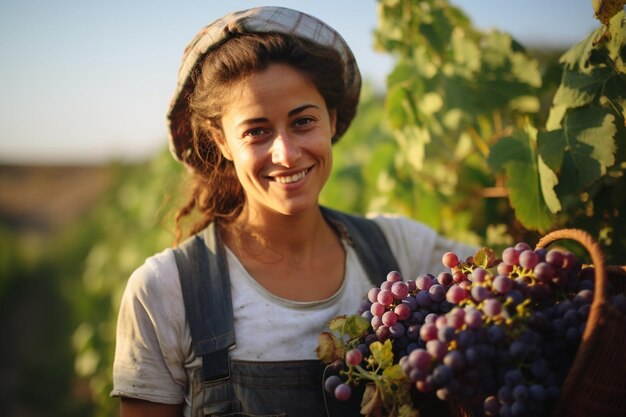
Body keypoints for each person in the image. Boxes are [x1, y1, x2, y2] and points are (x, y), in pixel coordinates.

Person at [111, 6, 474, 417]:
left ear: (332, 120)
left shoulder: (405, 248)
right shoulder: (163, 292)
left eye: (303, 121)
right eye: (256, 131)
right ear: (223, 142)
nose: (285, 153)